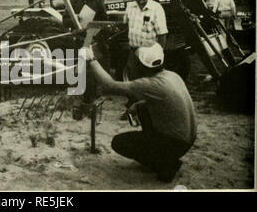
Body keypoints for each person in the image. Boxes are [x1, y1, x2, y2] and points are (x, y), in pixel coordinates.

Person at [81, 43, 197, 182]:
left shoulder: (149, 84)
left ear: (141, 65)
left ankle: (166, 164)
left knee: (119, 143)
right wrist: (140, 104)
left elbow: (110, 85)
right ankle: (162, 154)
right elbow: (166, 100)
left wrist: (91, 60)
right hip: (188, 139)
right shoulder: (171, 76)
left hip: (175, 144)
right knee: (142, 108)